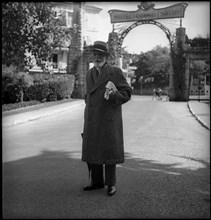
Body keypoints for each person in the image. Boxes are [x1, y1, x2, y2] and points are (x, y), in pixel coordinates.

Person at [81, 41, 132, 196]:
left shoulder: (115, 72)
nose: (97, 57)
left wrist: (114, 95)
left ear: (106, 56)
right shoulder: (90, 73)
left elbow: (127, 93)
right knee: (94, 150)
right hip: (92, 118)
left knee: (109, 152)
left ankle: (111, 184)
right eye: (95, 54)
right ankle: (96, 182)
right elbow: (89, 94)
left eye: (100, 55)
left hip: (109, 118)